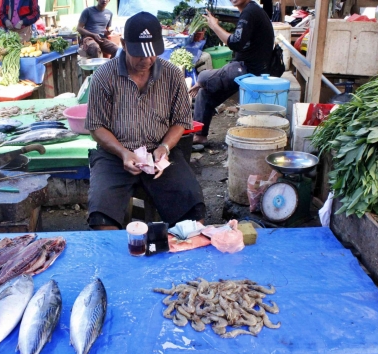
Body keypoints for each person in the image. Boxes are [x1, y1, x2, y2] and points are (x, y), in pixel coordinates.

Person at [85, 12, 206, 230]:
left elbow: (180, 121)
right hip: (114, 155)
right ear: (123, 44)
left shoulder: (172, 75)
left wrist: (165, 147)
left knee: (193, 211)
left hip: (158, 153)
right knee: (101, 217)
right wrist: (123, 152)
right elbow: (96, 126)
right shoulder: (104, 75)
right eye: (139, 54)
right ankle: (118, 259)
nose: (146, 60)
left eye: (152, 54)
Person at [190, 0, 274, 144]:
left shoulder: (249, 12)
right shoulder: (250, 10)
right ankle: (200, 136)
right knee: (205, 94)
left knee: (203, 76)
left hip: (247, 71)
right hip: (246, 68)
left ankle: (199, 83)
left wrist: (214, 26)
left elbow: (235, 42)